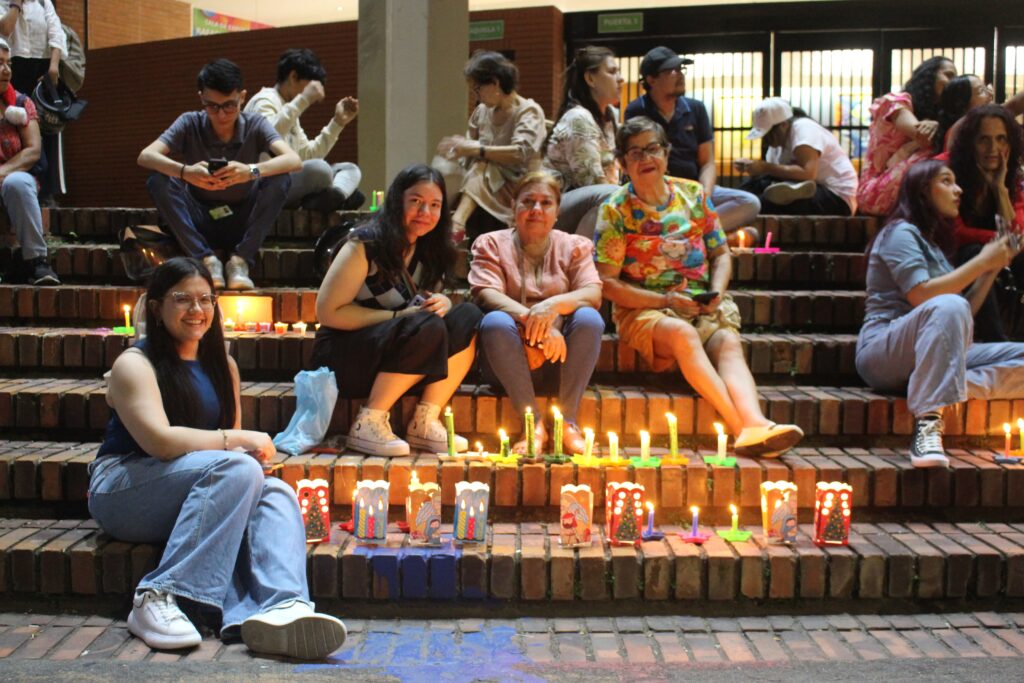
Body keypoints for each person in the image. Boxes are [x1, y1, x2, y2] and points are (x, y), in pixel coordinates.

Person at [87, 257, 347, 658]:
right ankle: (159, 594)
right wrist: (237, 439)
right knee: (240, 468)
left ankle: (282, 606)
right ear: (156, 308)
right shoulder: (134, 364)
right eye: (182, 299)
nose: (197, 310)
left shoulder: (222, 365)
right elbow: (159, 442)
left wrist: (249, 460)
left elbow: (235, 461)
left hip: (194, 488)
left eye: (206, 299)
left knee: (276, 492)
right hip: (125, 488)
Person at [594, 117, 804, 457]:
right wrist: (665, 299)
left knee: (728, 342)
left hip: (700, 304)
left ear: (666, 152)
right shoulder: (616, 210)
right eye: (635, 153)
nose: (646, 158)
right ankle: (742, 429)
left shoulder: (693, 195)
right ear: (622, 162)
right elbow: (608, 283)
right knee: (683, 335)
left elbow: (720, 253)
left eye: (652, 149)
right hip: (645, 310)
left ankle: (757, 421)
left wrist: (717, 292)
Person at [855, 160, 1024, 467]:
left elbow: (962, 313)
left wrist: (991, 269)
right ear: (922, 191)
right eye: (946, 181)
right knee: (950, 304)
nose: (957, 189)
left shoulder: (932, 246)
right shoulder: (899, 233)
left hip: (938, 353)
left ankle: (935, 382)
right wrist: (982, 261)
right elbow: (922, 295)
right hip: (884, 351)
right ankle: (928, 423)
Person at [312, 164, 482, 456]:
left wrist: (442, 302)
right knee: (426, 326)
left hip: (400, 354)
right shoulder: (365, 243)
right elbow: (328, 312)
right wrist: (396, 317)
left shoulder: (430, 250)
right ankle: (369, 422)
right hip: (344, 355)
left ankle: (425, 421)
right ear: (396, 201)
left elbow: (422, 304)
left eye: (434, 205)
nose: (425, 212)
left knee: (468, 316)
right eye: (415, 202)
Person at [470, 171, 604, 454]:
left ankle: (568, 422)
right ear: (513, 207)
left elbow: (592, 293)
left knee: (589, 318)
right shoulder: (491, 243)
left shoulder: (574, 246)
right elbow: (485, 292)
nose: (536, 210)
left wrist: (550, 307)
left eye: (546, 203)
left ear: (557, 212)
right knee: (494, 321)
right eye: (528, 201)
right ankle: (533, 425)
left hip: (562, 361)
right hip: (508, 359)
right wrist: (539, 324)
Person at [138, 59, 301, 291]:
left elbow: (294, 160)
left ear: (242, 97)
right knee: (158, 180)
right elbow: (146, 156)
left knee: (280, 177)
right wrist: (186, 172)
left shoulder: (255, 123)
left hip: (242, 216)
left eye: (229, 106)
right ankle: (206, 260)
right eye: (212, 106)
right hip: (200, 215)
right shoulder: (190, 122)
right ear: (201, 98)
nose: (221, 115)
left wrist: (250, 171)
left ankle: (240, 261)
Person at [624, 46, 759, 236]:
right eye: (671, 70)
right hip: (656, 191)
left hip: (694, 189)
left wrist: (704, 197)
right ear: (651, 79)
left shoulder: (696, 109)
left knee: (749, 203)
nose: (680, 75)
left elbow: (707, 162)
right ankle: (702, 236)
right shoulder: (637, 111)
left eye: (681, 69)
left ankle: (683, 232)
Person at [437, 51, 546, 243]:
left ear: (495, 83)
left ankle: (457, 222)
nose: (476, 96)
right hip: (484, 183)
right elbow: (470, 146)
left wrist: (475, 149)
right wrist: (458, 149)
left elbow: (520, 153)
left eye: (477, 89)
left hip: (516, 182)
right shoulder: (482, 112)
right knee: (444, 167)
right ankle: (441, 218)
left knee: (483, 165)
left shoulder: (528, 111)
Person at [244, 48, 364, 212]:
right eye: (311, 87)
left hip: (288, 181)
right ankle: (335, 199)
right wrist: (303, 99)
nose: (313, 95)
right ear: (293, 77)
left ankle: (335, 197)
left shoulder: (290, 107)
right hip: (263, 185)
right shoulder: (264, 100)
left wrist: (337, 123)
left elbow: (307, 156)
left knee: (350, 169)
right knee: (320, 170)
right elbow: (267, 137)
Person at [947, 105, 1024, 341]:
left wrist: (999, 190)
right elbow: (955, 232)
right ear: (970, 143)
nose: (993, 149)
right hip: (954, 260)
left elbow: (1018, 232)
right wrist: (1000, 245)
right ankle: (997, 343)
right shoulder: (946, 170)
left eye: (1001, 139)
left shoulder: (1012, 176)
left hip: (1000, 258)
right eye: (984, 140)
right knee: (976, 252)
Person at [857, 56, 956, 216]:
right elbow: (922, 135)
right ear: (929, 76)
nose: (953, 82)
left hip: (900, 186)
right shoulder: (896, 101)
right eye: (949, 75)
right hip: (874, 190)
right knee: (937, 155)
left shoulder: (937, 114)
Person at [544, 45, 623, 238]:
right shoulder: (578, 117)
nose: (621, 79)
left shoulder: (611, 116)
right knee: (611, 197)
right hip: (552, 206)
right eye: (612, 72)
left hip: (590, 201)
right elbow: (592, 182)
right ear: (590, 79)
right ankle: (579, 263)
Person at [735, 97, 857, 216]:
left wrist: (766, 167)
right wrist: (753, 168)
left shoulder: (803, 128)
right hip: (812, 190)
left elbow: (808, 173)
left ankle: (796, 192)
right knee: (754, 188)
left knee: (762, 204)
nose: (766, 140)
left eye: (769, 134)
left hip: (836, 196)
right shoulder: (774, 149)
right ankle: (794, 191)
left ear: (783, 125)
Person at [0, 37, 56, 285]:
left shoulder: (22, 103)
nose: (6, 69)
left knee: (17, 184)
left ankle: (39, 262)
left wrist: (2, 172)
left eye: (8, 63)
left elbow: (33, 151)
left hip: (18, 176)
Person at [0, 0, 65, 205]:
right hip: (12, 68)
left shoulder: (44, 3)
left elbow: (57, 33)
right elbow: (4, 31)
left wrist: (53, 68)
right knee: (18, 131)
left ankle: (47, 193)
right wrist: (15, 5)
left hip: (42, 71)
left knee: (49, 131)